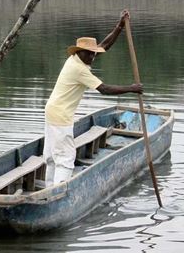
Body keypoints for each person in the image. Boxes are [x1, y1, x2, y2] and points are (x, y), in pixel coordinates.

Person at [44, 10, 143, 185]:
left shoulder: (78, 59)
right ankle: (58, 192)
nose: (93, 56)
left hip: (52, 111)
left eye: (93, 53)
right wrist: (132, 88)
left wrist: (119, 26)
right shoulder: (79, 69)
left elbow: (104, 45)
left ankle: (48, 188)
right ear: (80, 52)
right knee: (66, 158)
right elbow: (104, 89)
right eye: (89, 53)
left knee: (52, 156)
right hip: (61, 116)